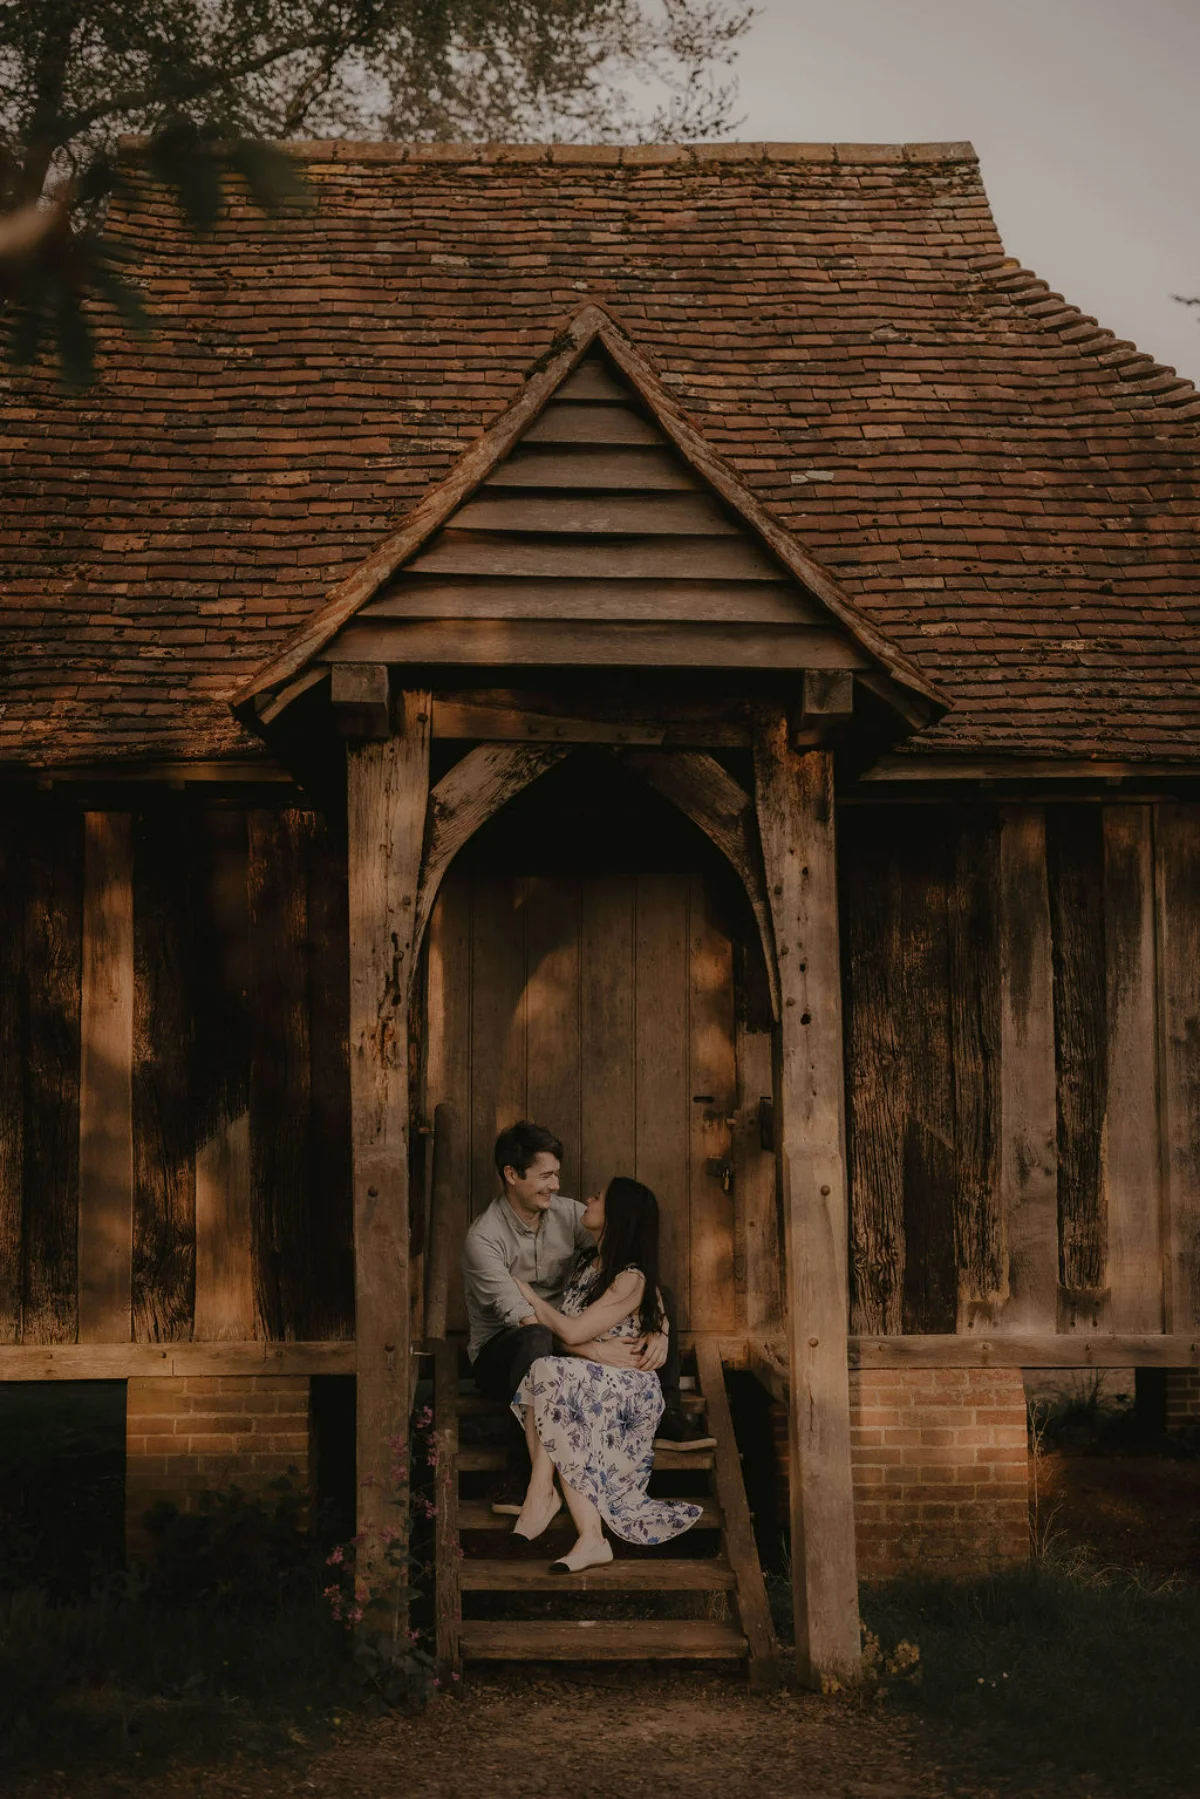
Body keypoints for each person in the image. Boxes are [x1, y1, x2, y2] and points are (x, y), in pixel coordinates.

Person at [462, 1120, 714, 1514]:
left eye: (557, 1174)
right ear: (512, 1175)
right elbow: (528, 1321)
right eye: (546, 1176)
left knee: (660, 1292)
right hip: (504, 1350)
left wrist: (659, 1325)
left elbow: (626, 1252)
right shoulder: (484, 1239)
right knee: (536, 1341)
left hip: (562, 1336)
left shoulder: (566, 1215)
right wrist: (597, 1352)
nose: (556, 1185)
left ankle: (667, 1413)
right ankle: (522, 1467)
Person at [509, 1175, 702, 1571]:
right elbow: (571, 1338)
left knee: (547, 1374)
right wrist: (594, 1350)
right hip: (588, 1376)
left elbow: (569, 1330)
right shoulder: (588, 1262)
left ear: (616, 1215)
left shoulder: (630, 1277)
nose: (588, 1199)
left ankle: (540, 1490)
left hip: (627, 1388)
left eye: (598, 1197)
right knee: (547, 1376)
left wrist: (526, 1293)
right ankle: (591, 1537)